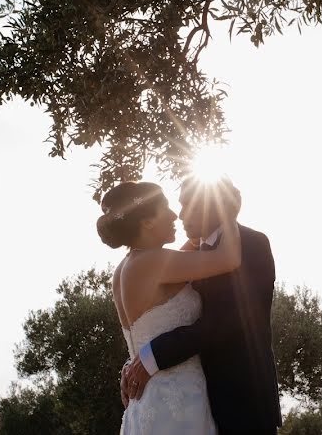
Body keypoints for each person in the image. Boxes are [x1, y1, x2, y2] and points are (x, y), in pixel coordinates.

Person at [123, 176, 282, 435]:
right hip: (195, 404)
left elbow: (229, 321)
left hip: (243, 403)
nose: (181, 215)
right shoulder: (191, 257)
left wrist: (153, 355)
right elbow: (163, 315)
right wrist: (135, 361)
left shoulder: (252, 244)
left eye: (188, 206)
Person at [98, 180, 242, 434]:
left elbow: (194, 248)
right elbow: (228, 258)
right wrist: (226, 207)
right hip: (178, 404)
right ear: (147, 222)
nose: (175, 214)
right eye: (166, 207)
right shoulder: (155, 262)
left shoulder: (129, 266)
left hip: (147, 400)